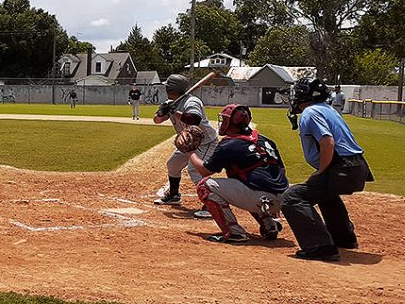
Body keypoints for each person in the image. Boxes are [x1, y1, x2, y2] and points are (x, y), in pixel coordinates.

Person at [282, 78, 374, 262]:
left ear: (306, 95)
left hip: (342, 168)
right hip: (357, 166)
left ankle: (320, 247)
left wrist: (321, 170)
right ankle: (344, 239)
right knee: (324, 193)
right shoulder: (328, 109)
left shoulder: (310, 112)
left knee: (292, 197)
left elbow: (327, 142)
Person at [188, 104, 288, 243]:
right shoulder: (265, 140)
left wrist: (190, 152)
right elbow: (282, 170)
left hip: (260, 198)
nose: (222, 123)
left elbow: (205, 171)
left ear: (231, 122)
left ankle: (234, 233)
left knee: (204, 186)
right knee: (245, 179)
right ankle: (269, 224)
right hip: (284, 198)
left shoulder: (229, 144)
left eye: (224, 120)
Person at [153, 74, 219, 219]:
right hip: (187, 142)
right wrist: (162, 111)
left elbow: (194, 119)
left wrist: (173, 111)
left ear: (169, 88)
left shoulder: (192, 102)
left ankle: (212, 203)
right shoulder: (170, 102)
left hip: (204, 141)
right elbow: (157, 120)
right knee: (173, 164)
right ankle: (174, 195)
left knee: (195, 170)